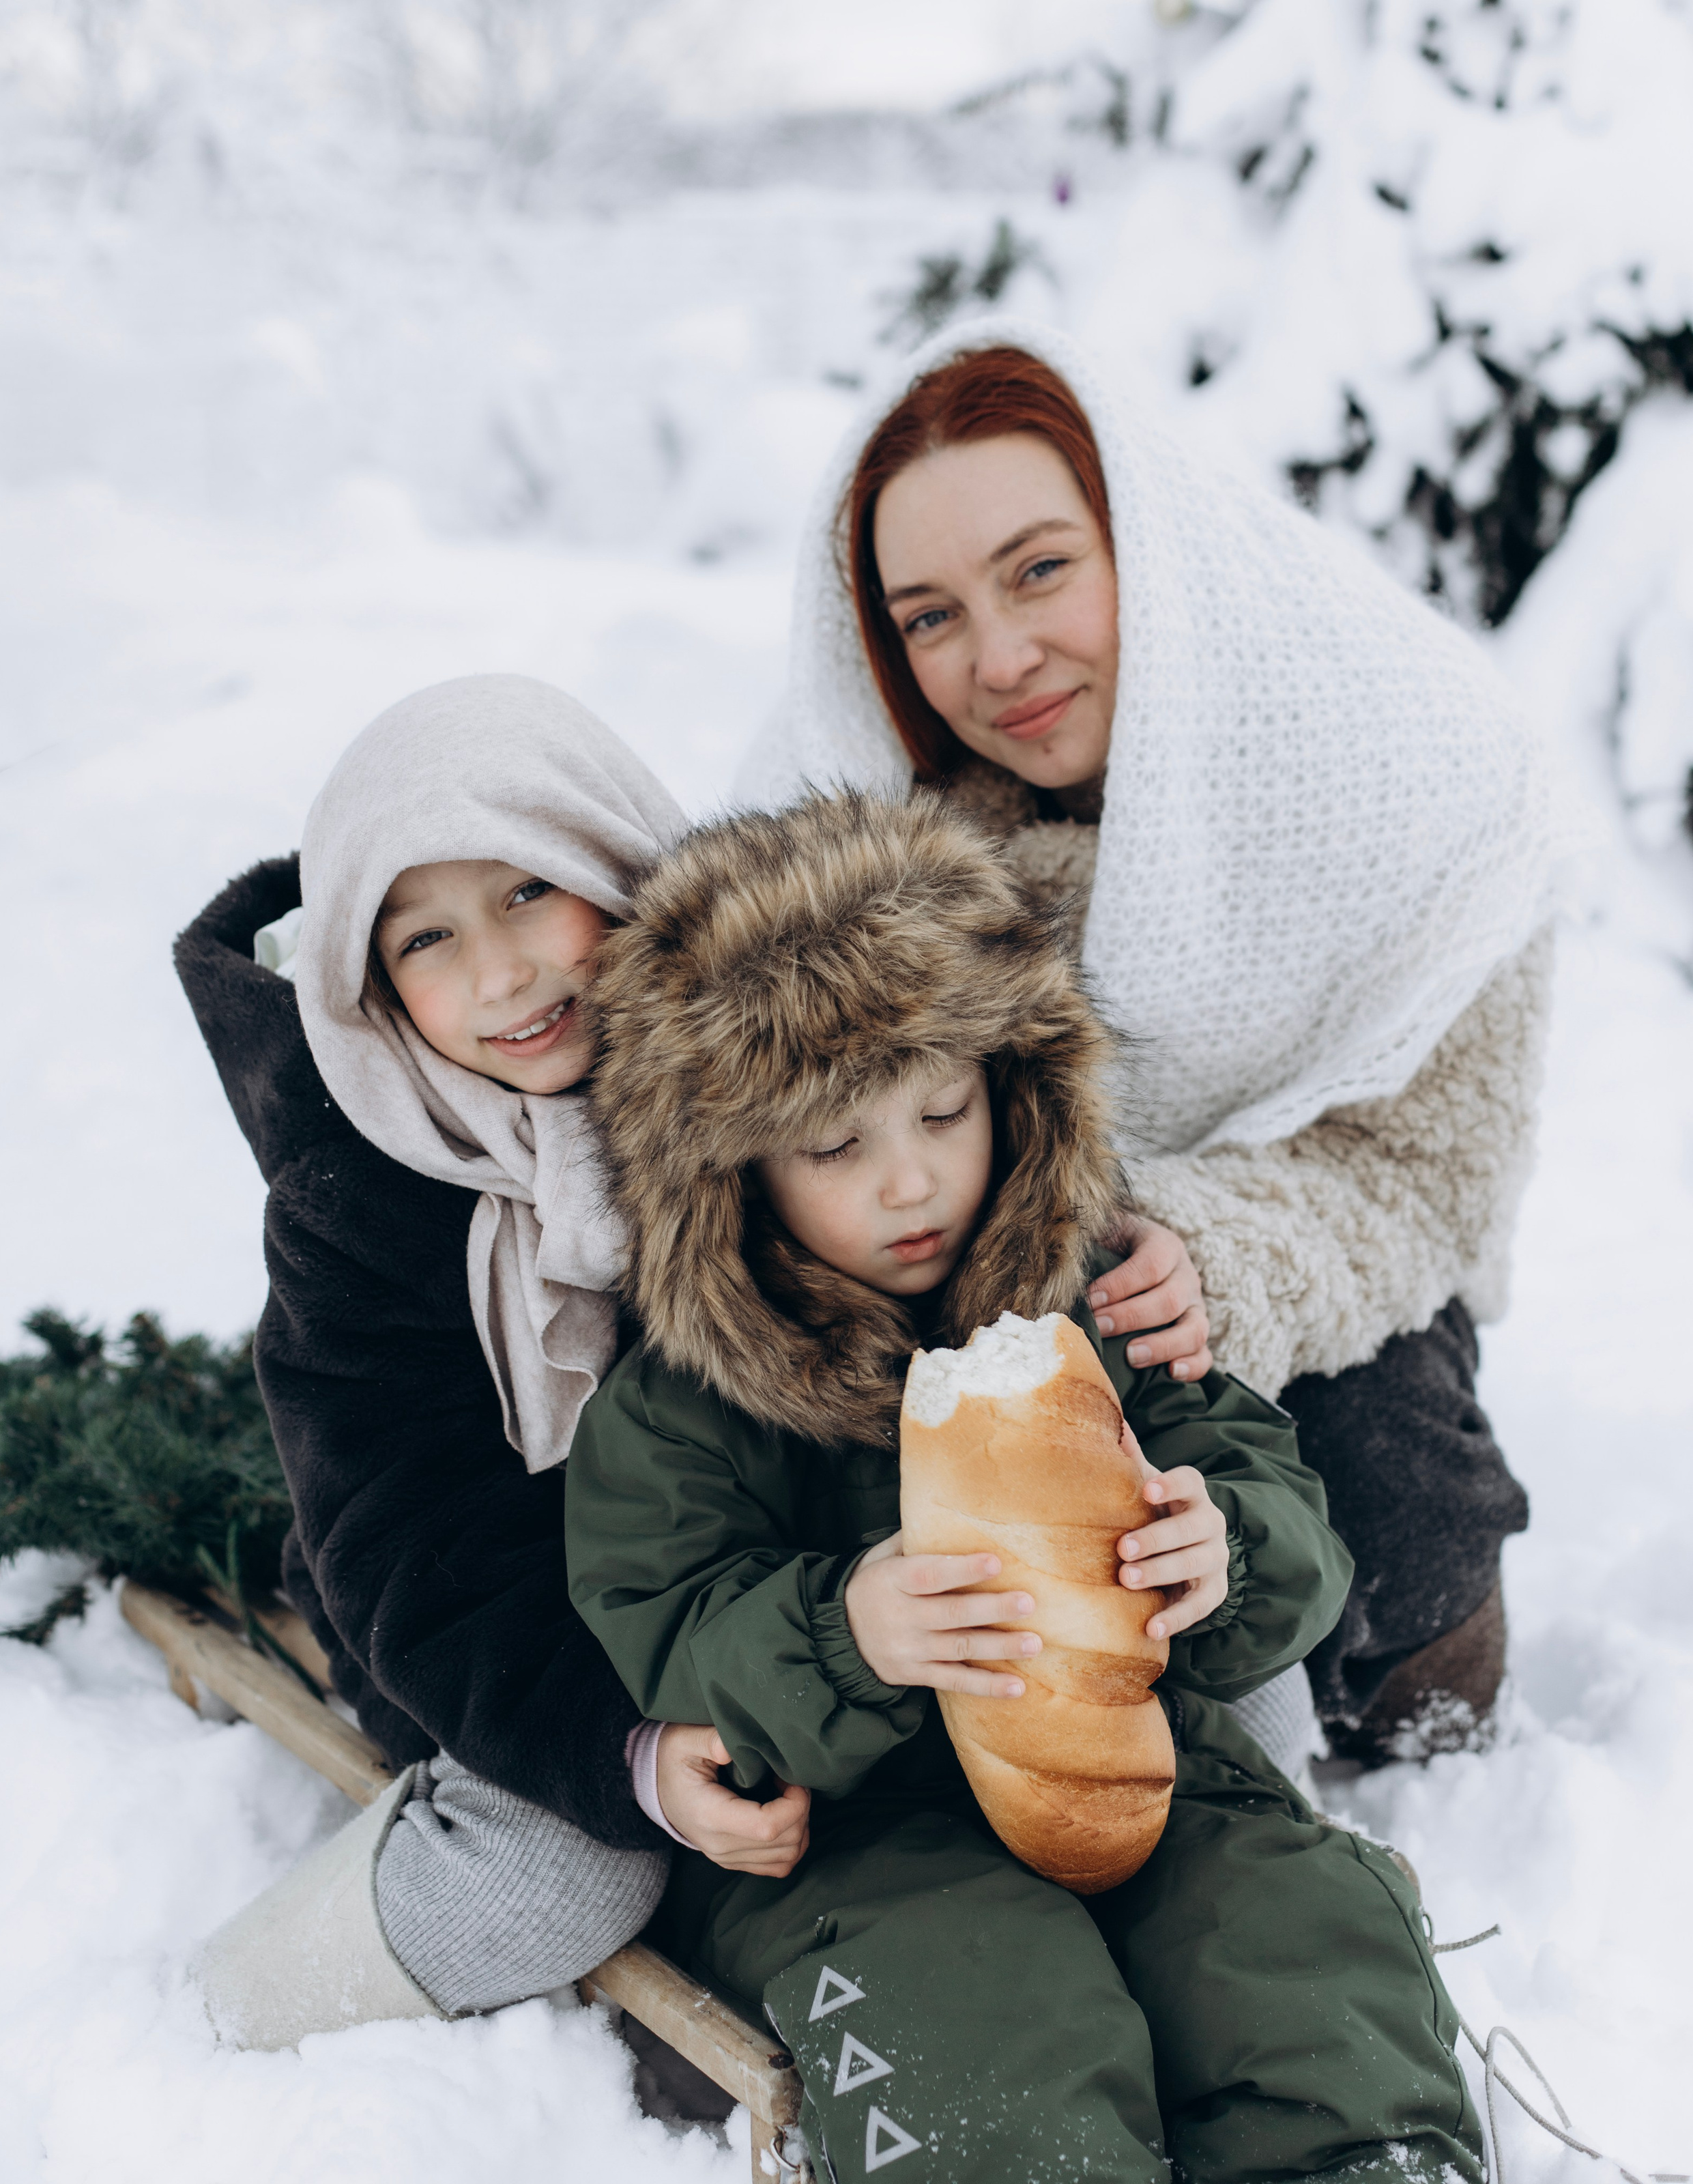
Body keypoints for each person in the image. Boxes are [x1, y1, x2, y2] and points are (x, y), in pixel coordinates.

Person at [564, 790, 1484, 2184]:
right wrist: (838, 1632)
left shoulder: (1090, 1308)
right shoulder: (688, 1402)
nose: (909, 1179)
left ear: (1012, 1083)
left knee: (1294, 1933)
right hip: (860, 1847)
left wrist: (1218, 1543)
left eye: (943, 1108)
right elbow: (660, 1621)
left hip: (1148, 1775)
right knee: (989, 2013)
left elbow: (1260, 1479)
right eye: (832, 1147)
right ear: (729, 1176)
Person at [736, 320, 1580, 1764]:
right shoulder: (886, 833)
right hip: (958, 1269)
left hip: (1296, 1254)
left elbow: (1421, 1175)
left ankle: (1378, 1679)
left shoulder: (1418, 776)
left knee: (1395, 1523)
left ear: (1150, 537)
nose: (997, 660)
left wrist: (1206, 1251)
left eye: (1040, 569)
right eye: (927, 615)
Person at [175, 674, 799, 2049]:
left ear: (620, 859)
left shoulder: (774, 1063)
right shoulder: (361, 1199)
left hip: (755, 1588)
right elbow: (411, 1539)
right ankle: (234, 2003)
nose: (502, 976)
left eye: (529, 891)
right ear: (368, 980)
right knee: (570, 1875)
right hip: (500, 1640)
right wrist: (618, 1755)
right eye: (427, 940)